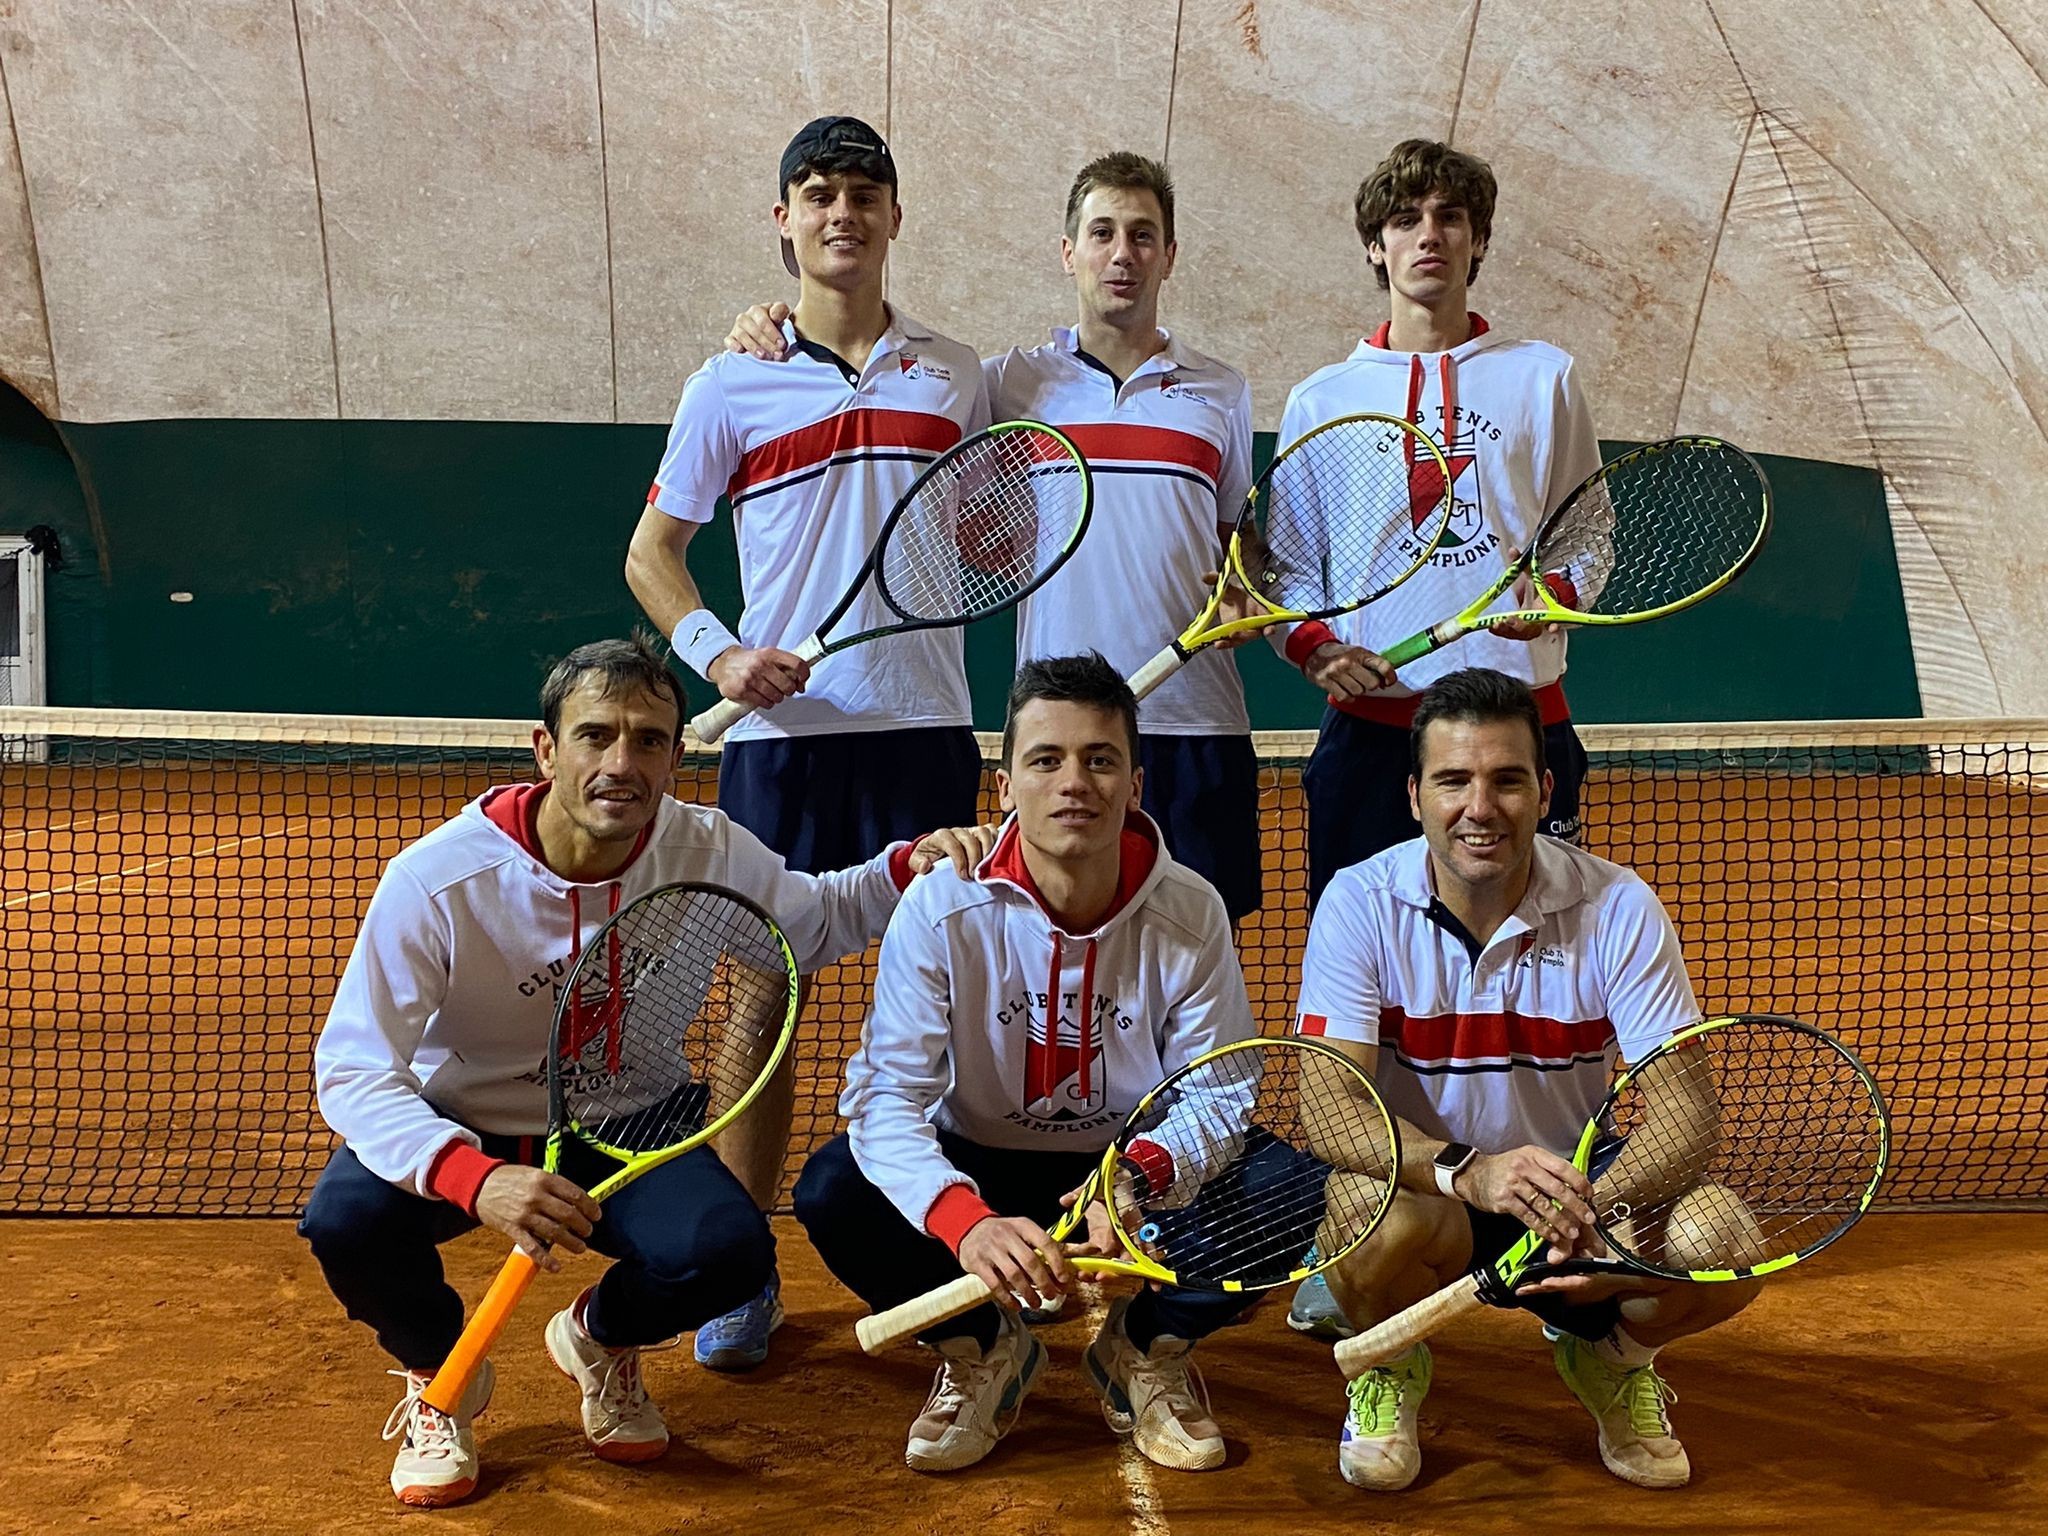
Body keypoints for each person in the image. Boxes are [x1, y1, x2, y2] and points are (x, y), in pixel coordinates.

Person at [300, 635, 992, 1507]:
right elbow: (355, 1069)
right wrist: (474, 1178)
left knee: (729, 1255)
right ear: (545, 749)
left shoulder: (703, 847)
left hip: (632, 1117)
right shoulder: (440, 881)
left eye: (649, 740)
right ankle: (441, 1370)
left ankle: (600, 1337)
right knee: (345, 1223)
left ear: (674, 755)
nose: (620, 763)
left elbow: (810, 923)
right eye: (595, 735)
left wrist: (906, 865)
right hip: (465, 1121)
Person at [624, 115, 990, 1365]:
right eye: (817, 194)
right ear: (782, 220)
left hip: (927, 731)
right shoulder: (728, 381)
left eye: (863, 193)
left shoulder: (961, 376)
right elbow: (651, 554)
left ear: (896, 217)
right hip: (782, 745)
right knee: (762, 1003)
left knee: (941, 1001)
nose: (842, 212)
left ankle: (943, 1260)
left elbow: (998, 526)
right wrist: (719, 655)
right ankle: (738, 1268)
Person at [721, 151, 1265, 927]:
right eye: (1102, 232)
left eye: (1144, 236)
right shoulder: (1003, 384)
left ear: (1169, 255)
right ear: (1068, 251)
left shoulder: (1222, 391)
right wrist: (767, 323)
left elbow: (1238, 545)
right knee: (1038, 942)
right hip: (1056, 724)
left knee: (1202, 940)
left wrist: (1243, 587)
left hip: (1196, 720)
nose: (1123, 253)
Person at [1277, 136, 1606, 1340]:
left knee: (1530, 982)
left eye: (1449, 215)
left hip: (1521, 740)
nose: (1428, 233)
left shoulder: (1542, 378)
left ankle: (1539, 1216)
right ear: (1374, 246)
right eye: (1405, 217)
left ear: (1475, 238)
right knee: (1355, 1002)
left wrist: (1553, 601)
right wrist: (1314, 650)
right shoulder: (1318, 401)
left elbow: (1589, 542)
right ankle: (1359, 1229)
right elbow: (1291, 579)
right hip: (1367, 745)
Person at [1291, 668, 1756, 1492]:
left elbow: (1689, 1119)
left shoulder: (1617, 906)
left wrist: (1588, 1203)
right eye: (1454, 781)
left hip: (1576, 1196)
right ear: (1413, 795)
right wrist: (1470, 1171)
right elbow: (1328, 1113)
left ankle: (1613, 1357)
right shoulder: (1358, 904)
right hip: (1436, 1195)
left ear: (1544, 791)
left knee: (1722, 1240)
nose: (1481, 807)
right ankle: (1388, 1366)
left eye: (1507, 779)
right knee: (1367, 1212)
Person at [792, 653, 1256, 1475]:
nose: (1073, 781)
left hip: (1124, 1171)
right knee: (833, 1191)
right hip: (981, 1160)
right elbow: (886, 1097)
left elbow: (1217, 1092)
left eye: (1099, 759)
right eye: (1045, 760)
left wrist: (1143, 1173)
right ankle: (982, 1350)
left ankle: (1143, 1349)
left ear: (1135, 785)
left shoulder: (1192, 911)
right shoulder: (941, 907)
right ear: (1004, 786)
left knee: (1290, 1197)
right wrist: (963, 1224)